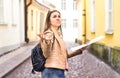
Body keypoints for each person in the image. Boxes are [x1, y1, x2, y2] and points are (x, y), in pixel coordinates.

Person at [38, 10, 87, 78]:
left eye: (59, 16)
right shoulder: (49, 34)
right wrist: (47, 42)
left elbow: (65, 55)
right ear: (49, 21)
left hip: (58, 70)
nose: (58, 18)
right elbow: (46, 54)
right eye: (54, 17)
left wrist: (79, 50)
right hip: (51, 70)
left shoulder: (58, 35)